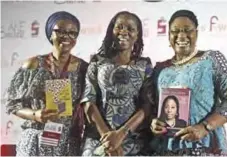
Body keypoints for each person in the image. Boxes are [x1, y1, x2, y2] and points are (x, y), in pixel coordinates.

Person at [148, 9, 227, 156]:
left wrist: (205, 127)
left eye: (187, 30)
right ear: (168, 35)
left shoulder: (212, 60)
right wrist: (153, 122)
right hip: (166, 150)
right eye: (175, 31)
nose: (181, 36)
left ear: (196, 33)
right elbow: (151, 107)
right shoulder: (160, 69)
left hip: (204, 147)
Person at [5, 11, 88, 156]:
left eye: (72, 33)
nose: (66, 36)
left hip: (68, 144)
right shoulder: (33, 65)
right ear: (50, 33)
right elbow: (12, 104)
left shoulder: (84, 68)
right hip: (35, 141)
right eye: (60, 31)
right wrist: (35, 114)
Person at [80, 11, 153, 156]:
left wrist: (120, 135)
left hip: (133, 142)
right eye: (119, 27)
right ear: (112, 31)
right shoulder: (97, 61)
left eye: (130, 29)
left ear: (137, 35)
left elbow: (147, 105)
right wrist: (109, 139)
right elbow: (89, 100)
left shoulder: (145, 65)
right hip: (99, 139)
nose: (124, 32)